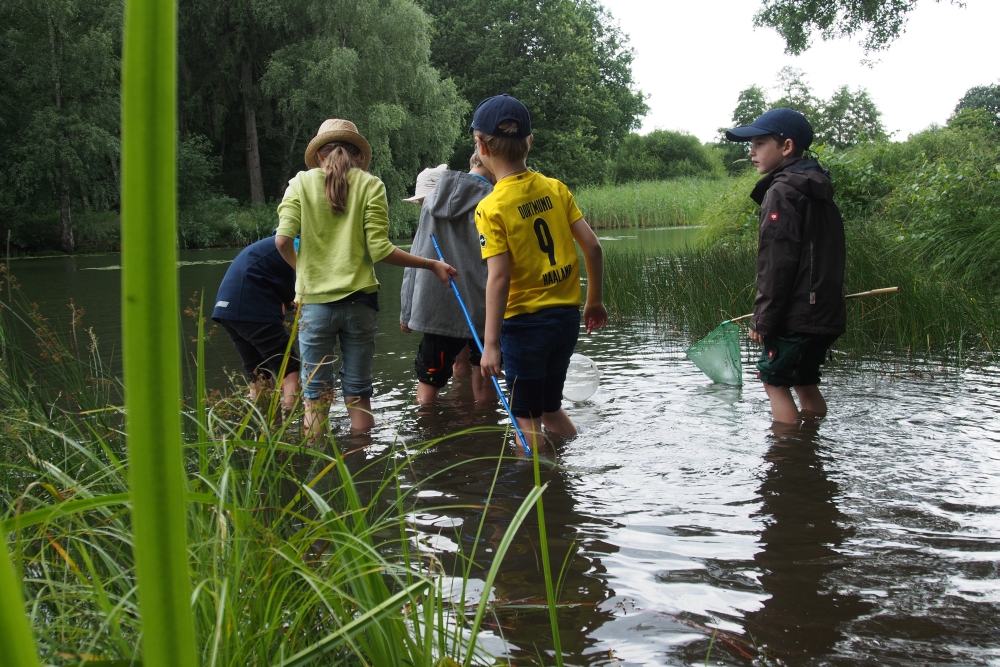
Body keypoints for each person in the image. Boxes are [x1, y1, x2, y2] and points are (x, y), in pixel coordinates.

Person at [274, 119, 457, 439]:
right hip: (360, 303)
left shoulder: (299, 184)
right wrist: (430, 264)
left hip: (314, 303)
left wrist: (302, 271)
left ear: (319, 155)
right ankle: (361, 474)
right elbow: (380, 250)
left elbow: (282, 241)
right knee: (358, 394)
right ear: (359, 155)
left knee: (315, 398)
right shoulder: (371, 185)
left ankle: (319, 474)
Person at [471, 94, 607, 448]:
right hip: (565, 319)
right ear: (529, 141)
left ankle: (541, 496)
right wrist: (594, 302)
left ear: (481, 147)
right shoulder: (556, 188)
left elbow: (498, 278)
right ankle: (574, 470)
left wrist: (489, 345)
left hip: (525, 327)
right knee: (548, 408)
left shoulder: (491, 207)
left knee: (524, 423)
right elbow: (593, 246)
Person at [725, 108, 846, 424]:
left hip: (799, 315)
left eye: (760, 143)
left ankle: (788, 461)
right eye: (750, 144)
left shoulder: (781, 191)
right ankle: (811, 446)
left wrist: (762, 321)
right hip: (823, 312)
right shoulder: (815, 186)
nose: (752, 152)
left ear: (787, 146)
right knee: (804, 382)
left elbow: (776, 264)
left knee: (774, 381)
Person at [400, 152, 497, 404]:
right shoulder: (497, 199)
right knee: (485, 375)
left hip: (438, 308)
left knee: (428, 385)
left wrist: (406, 310)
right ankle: (485, 439)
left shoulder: (431, 202)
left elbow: (417, 256)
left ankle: (427, 438)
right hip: (486, 308)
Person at [212, 234, 299, 412]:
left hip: (226, 309)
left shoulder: (272, 243)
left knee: (259, 374)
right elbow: (304, 292)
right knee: (290, 370)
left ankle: (261, 426)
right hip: (252, 305)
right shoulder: (296, 245)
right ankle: (290, 429)